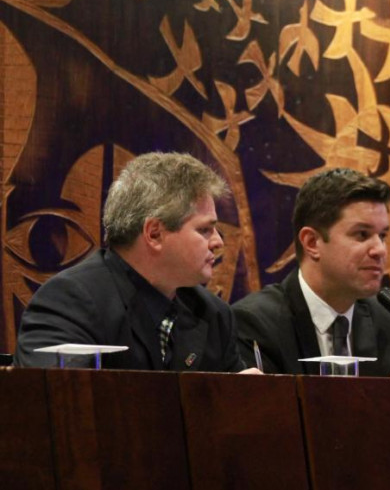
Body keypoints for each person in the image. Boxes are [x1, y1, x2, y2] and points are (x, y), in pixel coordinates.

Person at [15, 151, 257, 373]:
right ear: (154, 234)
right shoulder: (69, 301)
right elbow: (59, 405)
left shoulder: (214, 315)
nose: (218, 243)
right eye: (205, 229)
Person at [232, 168, 390, 379]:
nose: (380, 250)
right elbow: (271, 411)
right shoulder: (256, 324)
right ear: (312, 243)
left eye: (382, 236)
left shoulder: (389, 325)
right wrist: (382, 402)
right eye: (362, 234)